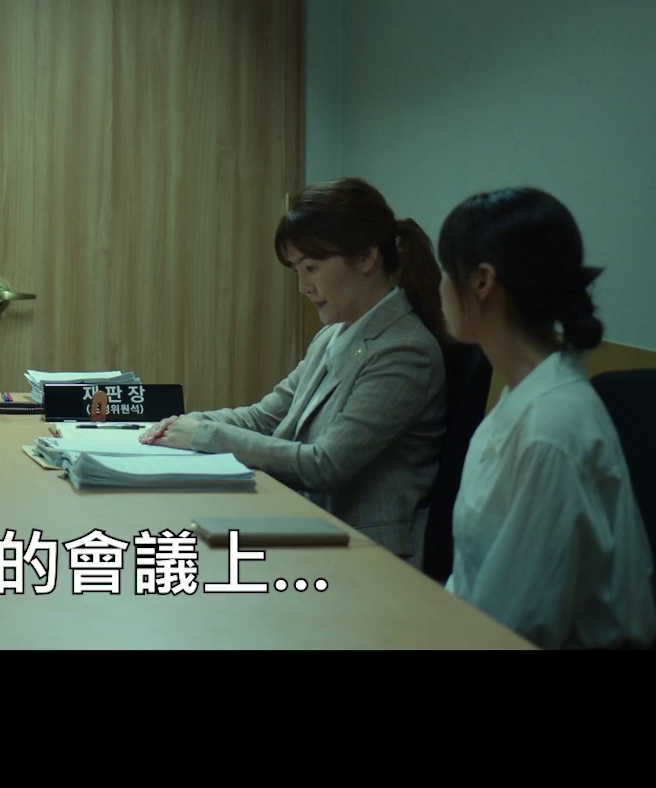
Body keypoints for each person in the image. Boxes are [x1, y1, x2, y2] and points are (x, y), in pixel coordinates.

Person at [141, 178, 447, 564]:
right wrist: (189, 422)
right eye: (296, 270)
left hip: (365, 552)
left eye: (311, 267)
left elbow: (325, 464)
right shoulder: (334, 335)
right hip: (307, 524)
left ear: (367, 257)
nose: (303, 286)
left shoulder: (404, 349)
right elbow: (266, 416)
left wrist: (205, 435)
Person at [436, 187, 656, 649]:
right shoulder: (523, 397)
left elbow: (517, 627)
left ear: (481, 281)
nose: (440, 287)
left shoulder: (551, 428)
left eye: (446, 271)